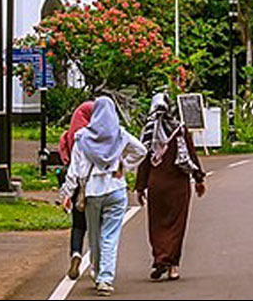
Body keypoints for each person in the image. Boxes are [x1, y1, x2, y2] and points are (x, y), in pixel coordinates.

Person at [60, 97, 147, 297]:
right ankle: (105, 279)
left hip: (92, 193)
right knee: (110, 235)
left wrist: (67, 193)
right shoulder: (120, 134)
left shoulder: (82, 137)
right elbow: (141, 150)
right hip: (116, 190)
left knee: (95, 236)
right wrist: (124, 165)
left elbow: (74, 170)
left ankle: (97, 271)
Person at [136, 93, 207, 282]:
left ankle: (160, 259)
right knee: (177, 225)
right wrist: (198, 178)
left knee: (157, 224)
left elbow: (144, 160)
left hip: (156, 185)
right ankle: (173, 266)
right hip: (179, 185)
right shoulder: (180, 130)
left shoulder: (149, 131)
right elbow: (191, 155)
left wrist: (140, 187)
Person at [57, 101, 94, 281]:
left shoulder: (70, 135)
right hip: (95, 185)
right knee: (97, 227)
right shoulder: (92, 135)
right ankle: (97, 265)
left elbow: (65, 157)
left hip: (77, 184)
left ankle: (76, 254)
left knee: (78, 226)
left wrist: (66, 193)